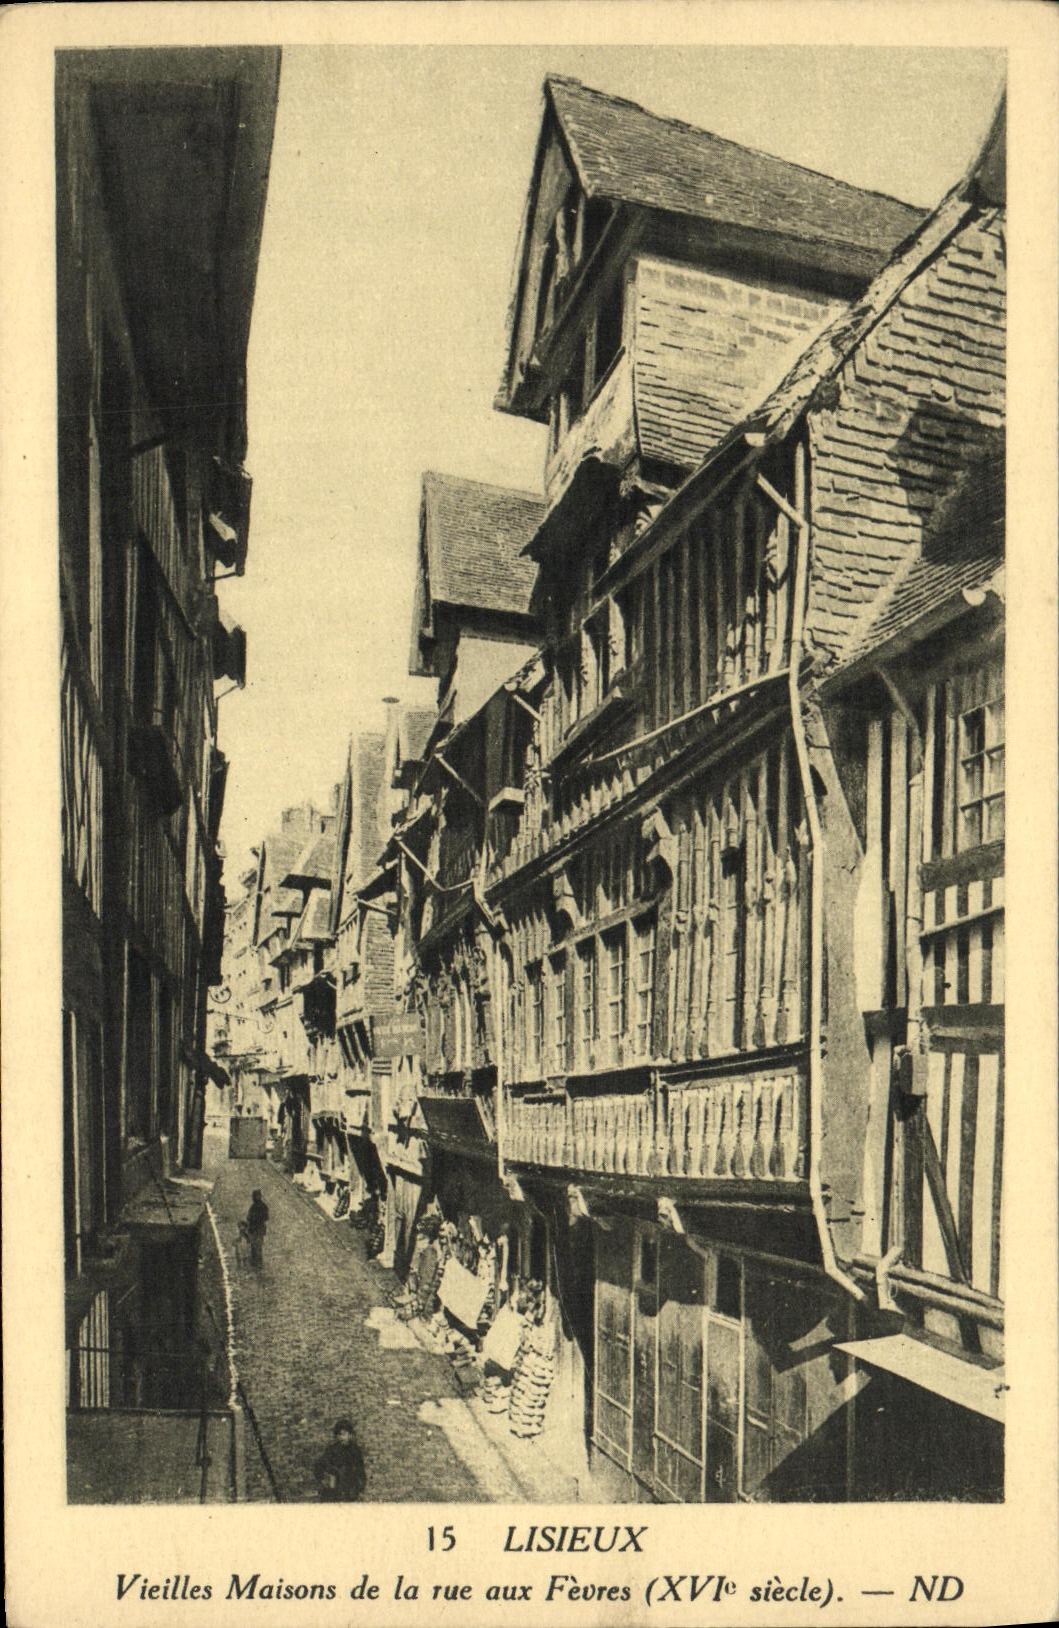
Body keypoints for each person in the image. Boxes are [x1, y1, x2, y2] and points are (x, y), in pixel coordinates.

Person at [314, 1417, 366, 1502]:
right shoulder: (332, 1450)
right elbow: (319, 1466)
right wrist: (323, 1480)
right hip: (333, 1493)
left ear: (350, 1435)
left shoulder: (355, 1451)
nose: (341, 1437)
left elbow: (360, 1471)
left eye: (344, 1434)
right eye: (339, 1435)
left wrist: (359, 1488)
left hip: (350, 1492)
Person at [245, 1188, 269, 1269]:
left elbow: (249, 1217)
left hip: (256, 1229)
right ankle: (256, 1261)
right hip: (258, 1229)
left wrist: (255, 1220)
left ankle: (257, 1262)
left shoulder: (255, 1207)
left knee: (256, 1245)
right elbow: (266, 1217)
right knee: (256, 1245)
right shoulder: (263, 1206)